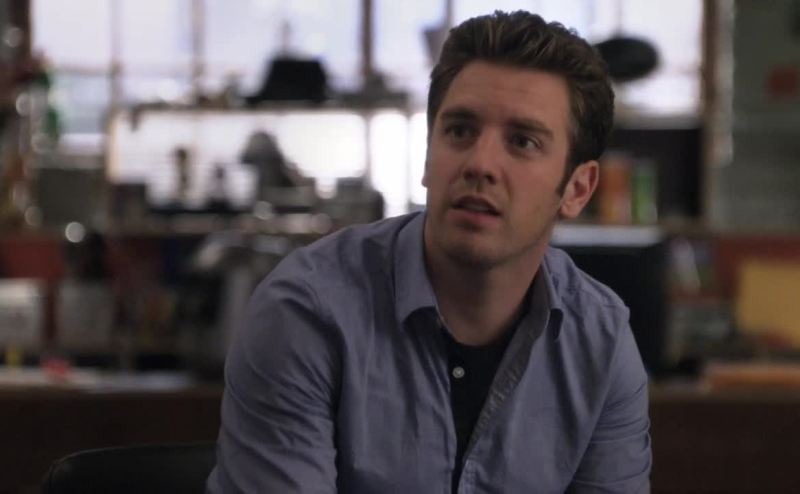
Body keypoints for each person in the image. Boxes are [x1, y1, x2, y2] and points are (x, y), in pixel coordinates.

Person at [207, 10, 651, 493]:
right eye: (460, 131)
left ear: (578, 189)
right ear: (427, 154)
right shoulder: (307, 313)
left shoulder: (600, 343)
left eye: (522, 141)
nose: (480, 163)